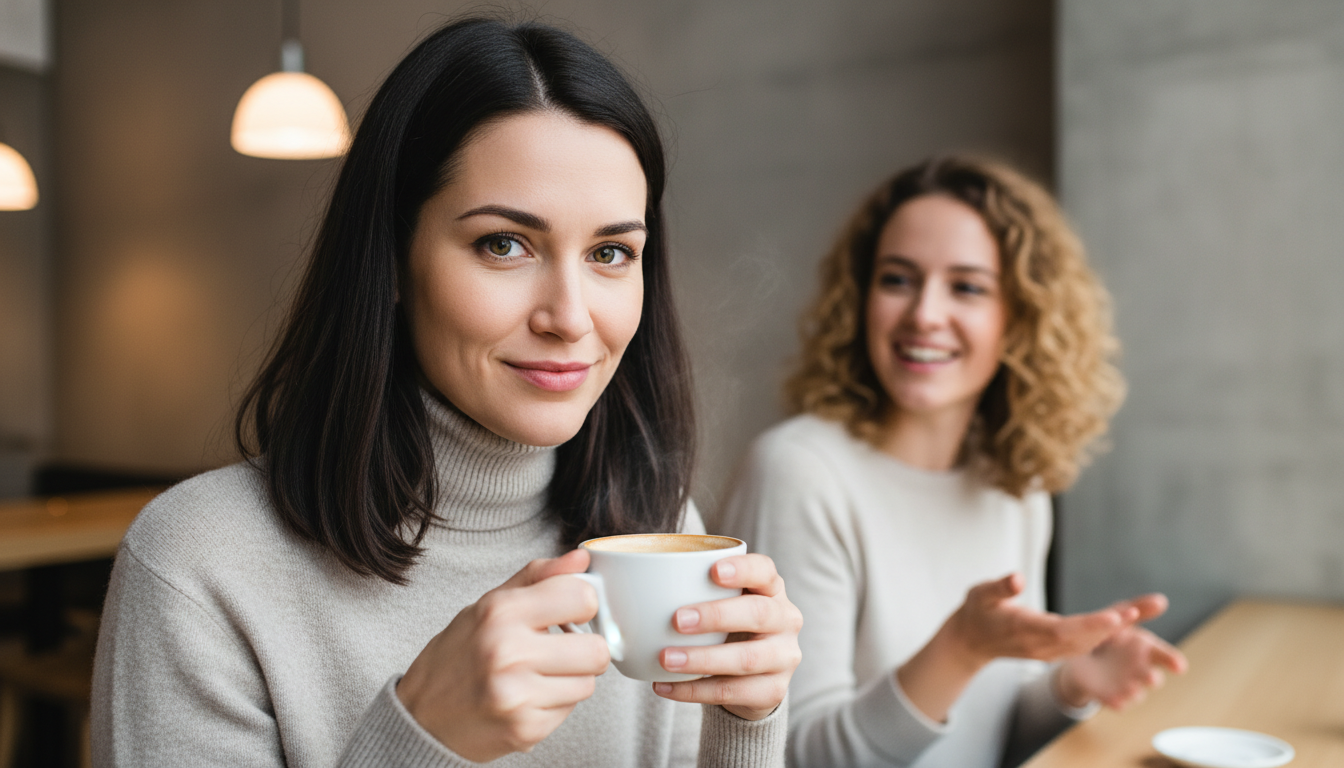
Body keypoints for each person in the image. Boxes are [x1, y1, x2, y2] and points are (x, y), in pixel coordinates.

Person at [91, 18, 801, 767]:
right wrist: (421, 738)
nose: (569, 317)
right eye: (505, 244)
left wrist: (748, 723)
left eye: (611, 252)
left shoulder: (656, 530)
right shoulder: (201, 568)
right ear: (393, 259)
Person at [717, 156, 1186, 768]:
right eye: (897, 279)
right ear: (860, 300)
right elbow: (794, 755)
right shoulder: (798, 472)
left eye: (966, 287)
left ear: (1018, 321)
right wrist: (959, 649)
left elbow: (987, 735)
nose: (924, 314)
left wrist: (1071, 686)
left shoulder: (1014, 486)